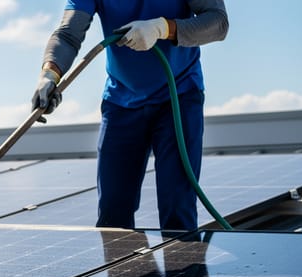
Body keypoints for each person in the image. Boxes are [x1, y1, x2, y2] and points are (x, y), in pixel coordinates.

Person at [33, 1, 229, 230]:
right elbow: (68, 35)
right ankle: (126, 268)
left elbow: (218, 22)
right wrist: (49, 74)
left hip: (179, 97)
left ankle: (184, 267)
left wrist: (162, 28)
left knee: (177, 210)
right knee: (112, 214)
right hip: (121, 102)